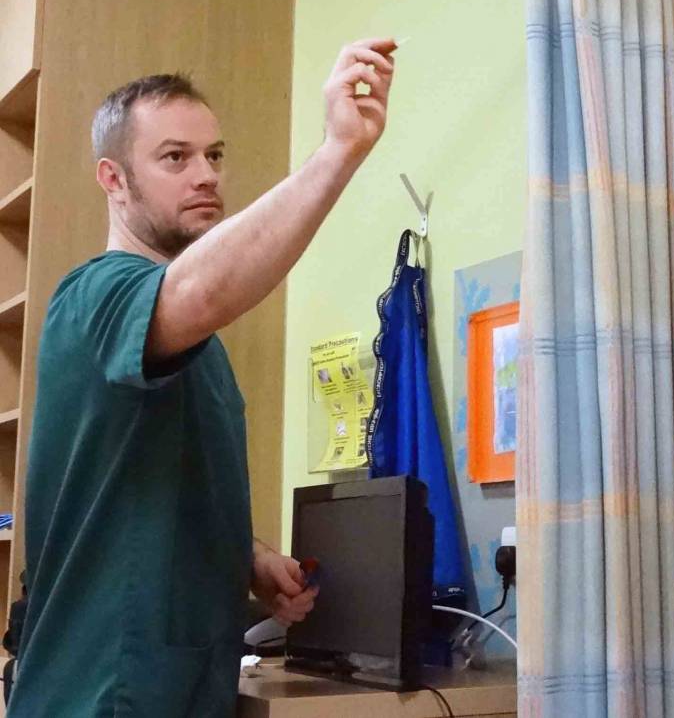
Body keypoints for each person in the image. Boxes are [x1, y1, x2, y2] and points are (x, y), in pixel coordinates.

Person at [7, 38, 397, 717]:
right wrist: (337, 152)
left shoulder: (198, 350)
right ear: (113, 178)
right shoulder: (96, 295)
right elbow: (202, 289)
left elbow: (144, 491)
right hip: (96, 696)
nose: (207, 175)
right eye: (175, 158)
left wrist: (246, 559)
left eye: (214, 155)